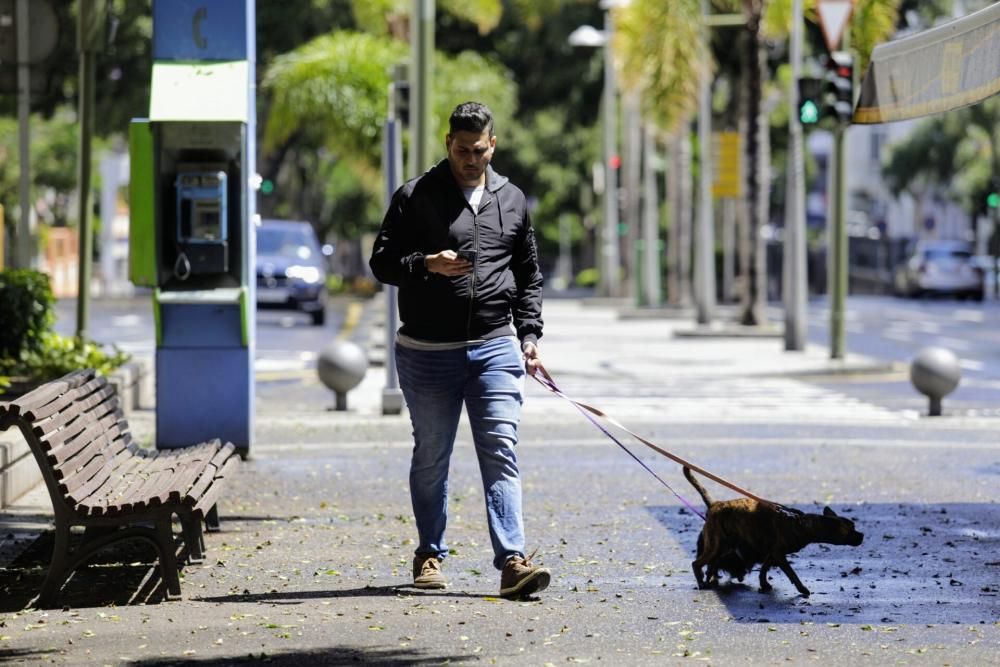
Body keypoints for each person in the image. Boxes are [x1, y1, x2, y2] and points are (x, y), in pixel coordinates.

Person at [369, 101, 549, 600]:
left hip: (494, 347)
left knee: (501, 452)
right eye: (462, 150)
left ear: (493, 144)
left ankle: (513, 560)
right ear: (448, 143)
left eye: (480, 150)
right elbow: (382, 262)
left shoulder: (511, 199)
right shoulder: (415, 196)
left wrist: (529, 338)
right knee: (432, 456)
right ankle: (429, 552)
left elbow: (528, 276)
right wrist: (426, 263)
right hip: (427, 351)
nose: (472, 160)